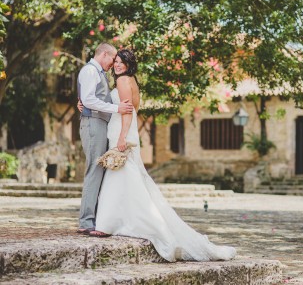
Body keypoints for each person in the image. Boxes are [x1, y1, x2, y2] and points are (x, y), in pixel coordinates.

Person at [89, 49, 236, 262]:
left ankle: (112, 224)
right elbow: (132, 108)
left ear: (129, 65)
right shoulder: (132, 81)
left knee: (122, 175)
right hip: (126, 130)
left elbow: (128, 111)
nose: (117, 65)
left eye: (121, 62)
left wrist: (122, 136)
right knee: (127, 176)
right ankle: (114, 222)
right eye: (117, 62)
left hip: (122, 131)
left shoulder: (122, 81)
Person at [77, 43, 134, 234]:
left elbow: (91, 99)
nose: (113, 64)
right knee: (94, 169)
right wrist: (115, 108)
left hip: (100, 124)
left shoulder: (98, 73)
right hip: (93, 123)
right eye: (113, 59)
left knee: (99, 170)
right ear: (104, 54)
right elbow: (89, 99)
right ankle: (86, 221)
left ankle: (95, 218)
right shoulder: (90, 71)